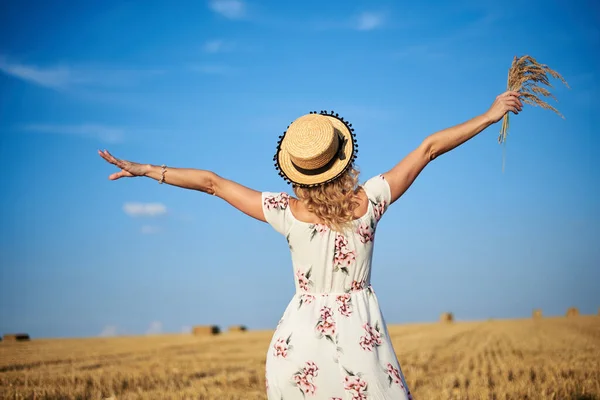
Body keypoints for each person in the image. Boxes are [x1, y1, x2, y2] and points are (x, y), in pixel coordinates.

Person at [99, 91, 522, 399]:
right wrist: (488, 115)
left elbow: (212, 182)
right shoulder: (370, 200)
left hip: (299, 342)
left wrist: (146, 169)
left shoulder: (285, 210)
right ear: (343, 158)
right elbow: (428, 148)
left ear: (297, 174)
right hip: (361, 337)